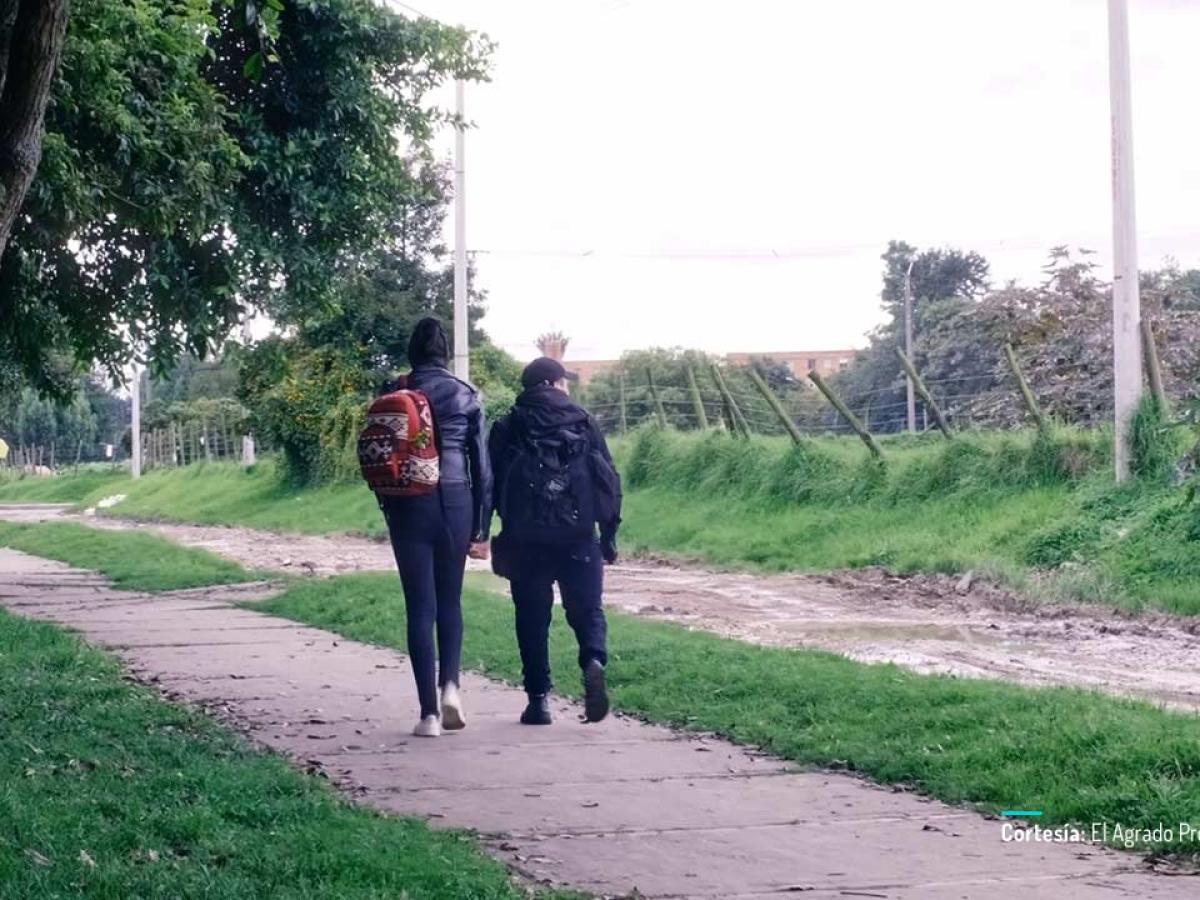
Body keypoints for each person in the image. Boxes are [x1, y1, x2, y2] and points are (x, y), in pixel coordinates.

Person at [487, 357, 622, 725]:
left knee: (532, 617)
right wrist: (608, 535)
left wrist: (481, 530)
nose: (567, 387)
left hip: (524, 538)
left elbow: (489, 483)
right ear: (552, 383)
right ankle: (593, 660)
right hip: (579, 535)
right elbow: (607, 480)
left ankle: (538, 702)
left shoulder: (508, 424)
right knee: (588, 610)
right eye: (564, 381)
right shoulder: (585, 421)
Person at [378, 317, 492, 738]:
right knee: (450, 601)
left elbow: (381, 454)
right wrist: (481, 527)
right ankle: (451, 689)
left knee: (419, 607)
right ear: (445, 354)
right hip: (457, 500)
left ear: (412, 353)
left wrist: (389, 507)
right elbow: (483, 469)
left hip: (408, 504)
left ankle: (428, 715)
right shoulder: (466, 395)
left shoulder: (393, 391)